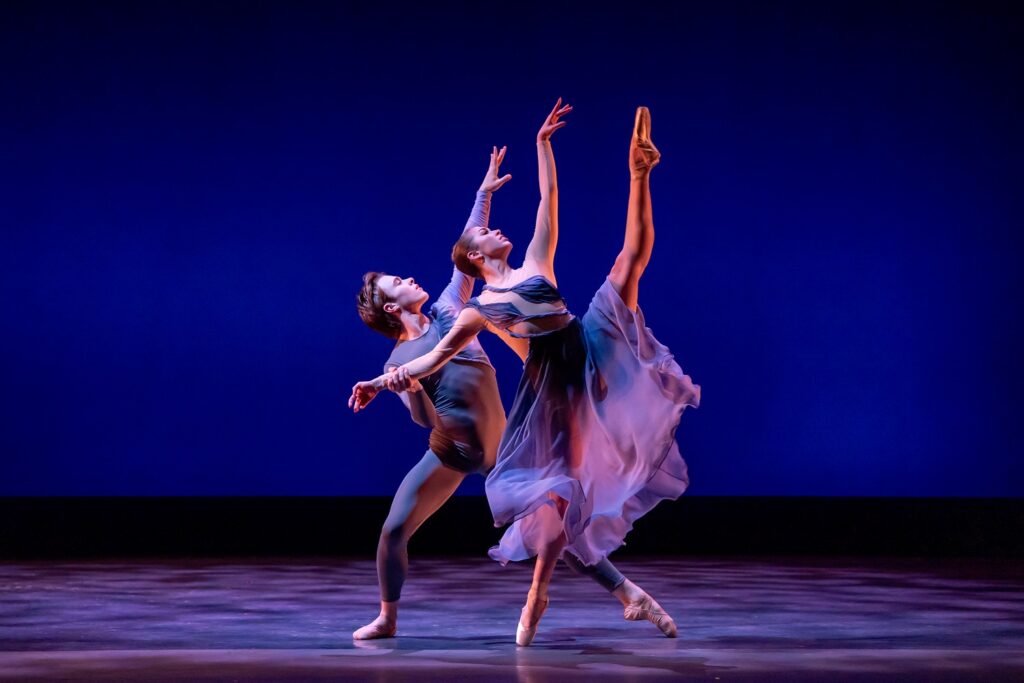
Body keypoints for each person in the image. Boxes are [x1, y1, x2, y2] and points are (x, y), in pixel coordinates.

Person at [350, 144, 675, 641]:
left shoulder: (449, 308)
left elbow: (468, 254)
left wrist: (483, 193)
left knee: (556, 522)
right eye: (398, 282)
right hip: (451, 450)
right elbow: (422, 418)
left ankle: (626, 592)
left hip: (502, 445)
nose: (410, 278)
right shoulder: (397, 360)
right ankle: (387, 617)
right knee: (393, 529)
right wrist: (399, 384)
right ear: (391, 309)